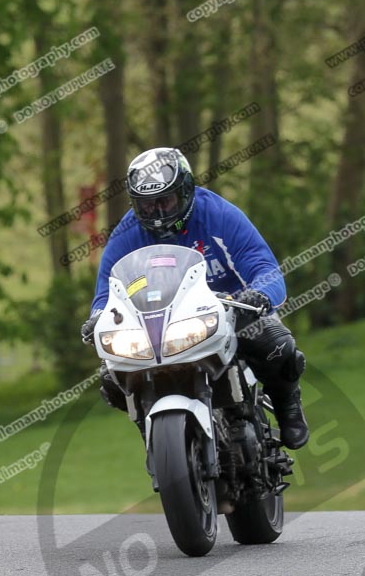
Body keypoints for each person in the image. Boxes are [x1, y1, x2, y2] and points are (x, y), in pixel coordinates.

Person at [81, 147, 309, 449]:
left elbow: (264, 267)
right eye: (147, 206)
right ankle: (150, 430)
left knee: (276, 345)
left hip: (230, 309)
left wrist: (260, 295)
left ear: (186, 190)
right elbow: (105, 294)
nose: (158, 214)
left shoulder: (218, 214)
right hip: (159, 324)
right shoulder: (126, 234)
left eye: (165, 201)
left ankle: (288, 406)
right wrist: (97, 318)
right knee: (112, 378)